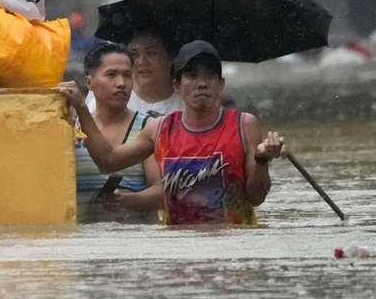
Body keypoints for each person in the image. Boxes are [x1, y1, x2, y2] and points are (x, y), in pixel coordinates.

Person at [62, 40, 285, 226]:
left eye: (210, 75)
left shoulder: (243, 124)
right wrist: (82, 108)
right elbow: (107, 162)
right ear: (177, 85)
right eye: (192, 76)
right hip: (178, 250)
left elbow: (256, 197)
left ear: (221, 84)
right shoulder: (159, 129)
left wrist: (262, 160)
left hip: (232, 245)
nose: (202, 83)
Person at [71, 42, 159, 223]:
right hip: (83, 244)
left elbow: (163, 192)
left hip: (136, 244)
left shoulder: (148, 127)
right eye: (111, 75)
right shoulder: (71, 130)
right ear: (89, 82)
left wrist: (127, 200)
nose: (121, 83)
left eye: (127, 76)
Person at [126, 27, 183, 118]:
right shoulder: (115, 98)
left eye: (151, 53)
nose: (142, 62)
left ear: (170, 57)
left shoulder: (187, 105)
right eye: (134, 54)